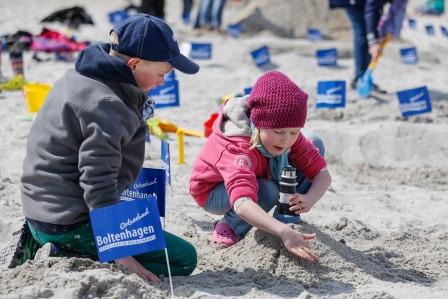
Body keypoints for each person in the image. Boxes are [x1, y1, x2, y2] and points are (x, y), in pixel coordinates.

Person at [20, 14, 199, 282]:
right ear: (135, 64)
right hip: (65, 221)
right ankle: (66, 252)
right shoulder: (107, 103)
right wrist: (119, 250)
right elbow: (97, 179)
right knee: (183, 258)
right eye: (162, 74)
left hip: (43, 206)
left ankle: (62, 243)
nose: (163, 82)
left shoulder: (86, 72)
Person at [189, 71, 332, 262]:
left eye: (294, 132)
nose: (286, 139)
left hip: (259, 174)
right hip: (214, 190)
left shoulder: (287, 136)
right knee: (267, 191)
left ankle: (284, 214)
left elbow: (323, 175)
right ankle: (230, 226)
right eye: (279, 131)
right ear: (258, 124)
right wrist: (282, 232)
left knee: (315, 143)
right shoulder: (238, 145)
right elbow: (242, 202)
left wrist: (309, 198)